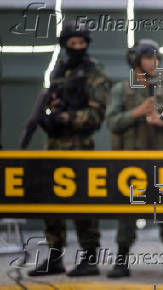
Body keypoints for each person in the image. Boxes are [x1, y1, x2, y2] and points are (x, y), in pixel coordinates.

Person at [26, 20, 111, 277]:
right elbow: (53, 103)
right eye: (72, 43)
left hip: (80, 147)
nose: (77, 47)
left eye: (81, 43)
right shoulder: (59, 72)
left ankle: (90, 258)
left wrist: (63, 118)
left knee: (83, 201)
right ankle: (55, 256)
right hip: (54, 146)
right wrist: (48, 116)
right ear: (65, 45)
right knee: (50, 202)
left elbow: (96, 116)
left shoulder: (95, 73)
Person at [105, 39, 163, 278]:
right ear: (136, 60)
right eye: (148, 57)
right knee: (127, 212)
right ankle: (121, 260)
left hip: (162, 161)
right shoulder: (121, 89)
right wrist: (137, 113)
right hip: (131, 163)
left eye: (156, 58)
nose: (153, 63)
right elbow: (111, 122)